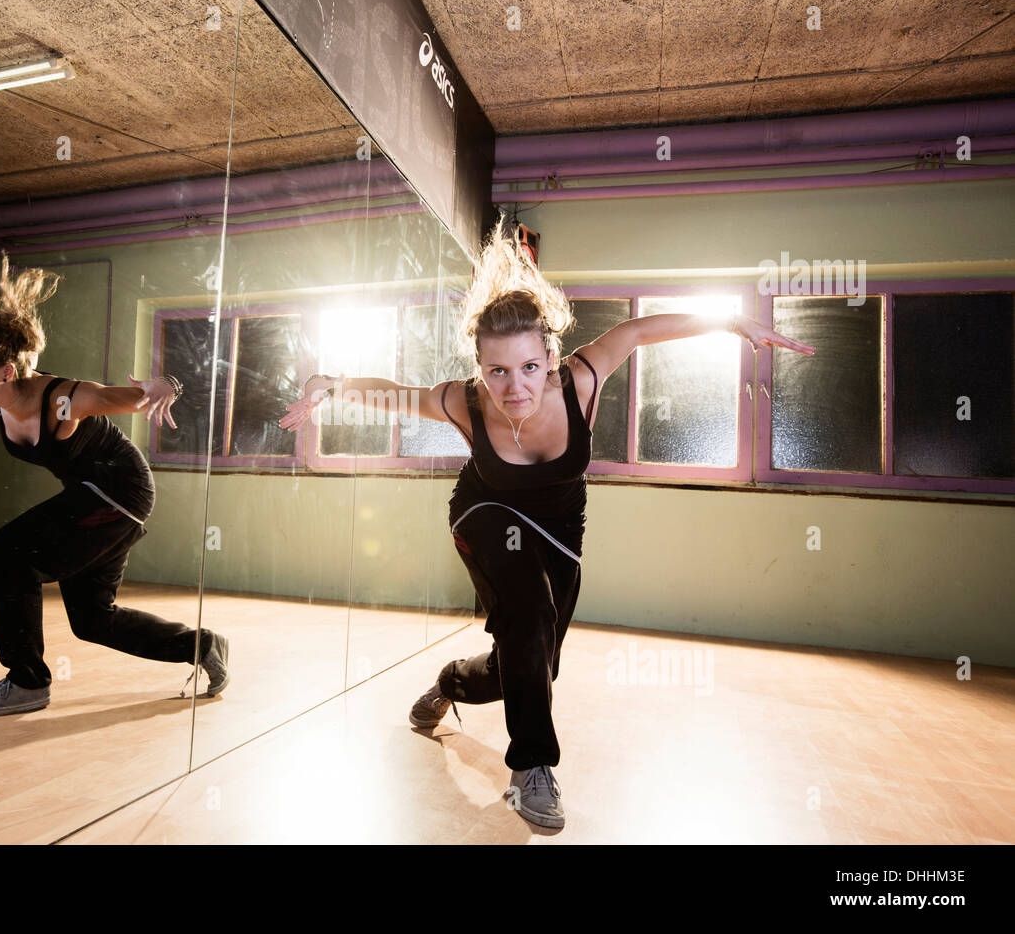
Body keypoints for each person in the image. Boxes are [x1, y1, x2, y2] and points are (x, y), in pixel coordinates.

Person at [281, 215, 814, 827]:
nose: (514, 388)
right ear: (480, 368)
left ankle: (451, 683)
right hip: (484, 511)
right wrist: (332, 384)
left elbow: (637, 331)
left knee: (530, 662)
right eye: (497, 371)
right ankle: (532, 767)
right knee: (527, 617)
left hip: (560, 530)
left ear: (552, 357)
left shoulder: (584, 379)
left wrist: (726, 320)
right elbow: (398, 394)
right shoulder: (465, 402)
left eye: (529, 368)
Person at [0, 254, 229, 717]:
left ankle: (27, 682)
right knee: (93, 620)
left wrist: (167, 382)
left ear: (8, 371)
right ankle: (201, 645)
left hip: (119, 493)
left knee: (9, 552)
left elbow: (146, 395)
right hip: (89, 496)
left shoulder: (67, 400)